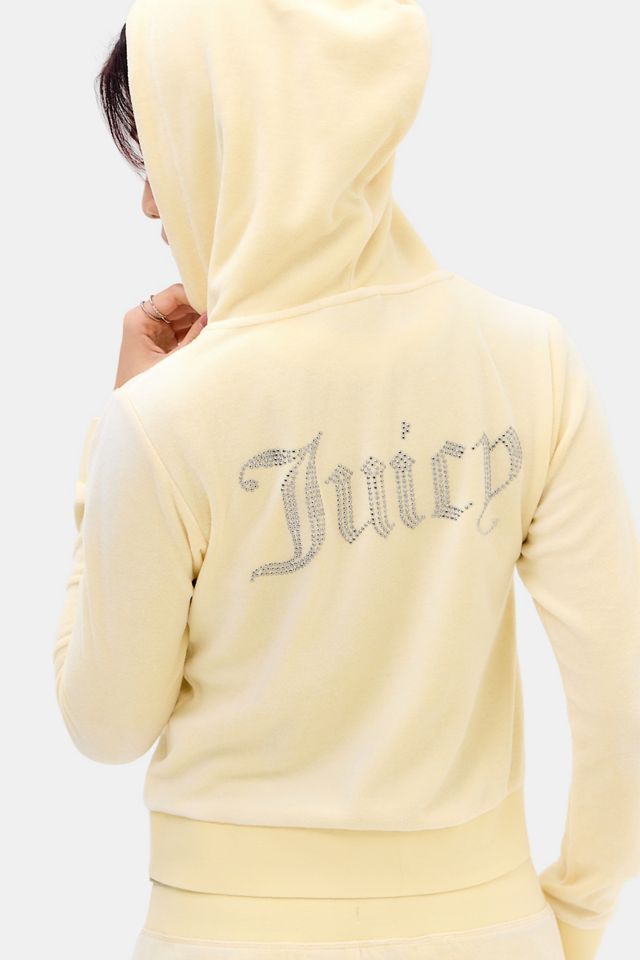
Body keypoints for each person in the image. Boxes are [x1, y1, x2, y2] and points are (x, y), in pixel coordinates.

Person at [53, 2, 640, 959]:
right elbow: (623, 699)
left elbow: (105, 723)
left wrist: (112, 436)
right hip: (491, 930)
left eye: (160, 148)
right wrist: (570, 920)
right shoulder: (527, 359)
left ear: (239, 134)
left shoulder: (163, 418)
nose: (152, 204)